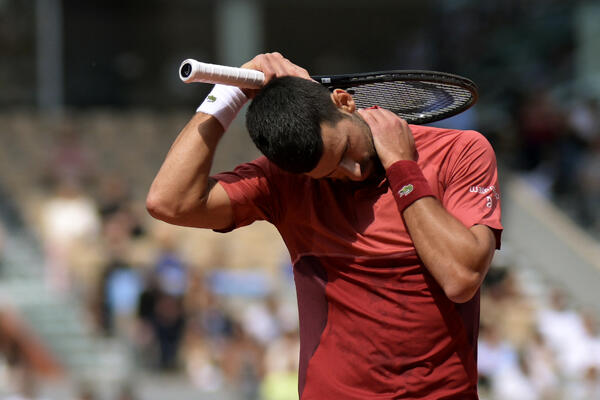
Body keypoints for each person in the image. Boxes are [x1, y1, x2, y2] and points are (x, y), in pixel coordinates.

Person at [146, 52, 502, 399]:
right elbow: (168, 201)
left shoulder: (461, 151)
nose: (354, 171)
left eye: (346, 149)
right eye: (331, 174)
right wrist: (228, 94)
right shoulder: (284, 183)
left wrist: (401, 167)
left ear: (345, 101)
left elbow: (461, 277)